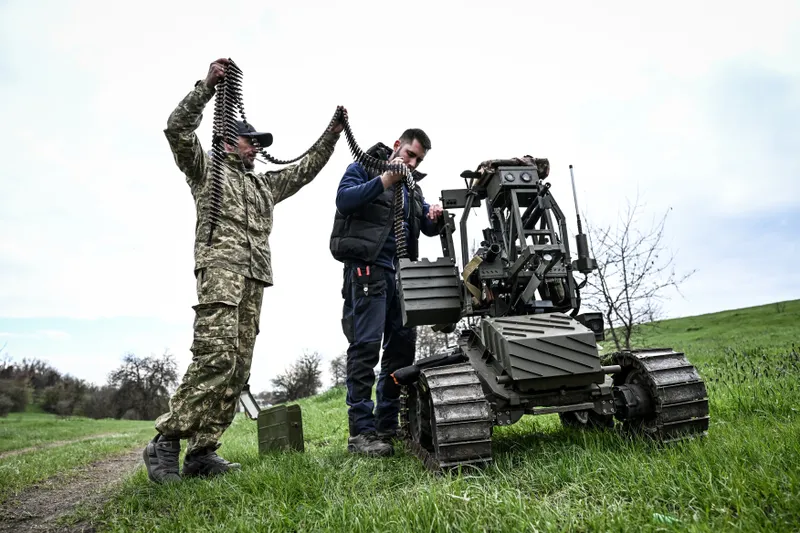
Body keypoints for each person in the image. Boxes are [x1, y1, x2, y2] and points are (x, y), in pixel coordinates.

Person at [143, 58, 345, 483]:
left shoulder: (262, 185)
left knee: (237, 369)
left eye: (257, 143)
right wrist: (205, 87)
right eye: (250, 141)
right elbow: (176, 130)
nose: (256, 147)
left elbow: (303, 171)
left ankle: (203, 453)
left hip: (254, 280)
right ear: (230, 141)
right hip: (220, 274)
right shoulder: (207, 170)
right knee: (214, 358)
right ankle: (166, 441)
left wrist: (332, 133)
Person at [329, 129, 443, 457]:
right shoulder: (363, 169)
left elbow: (422, 225)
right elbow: (345, 200)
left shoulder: (412, 187)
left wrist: (435, 217)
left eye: (419, 159)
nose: (412, 161)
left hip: (402, 276)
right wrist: (385, 181)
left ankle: (387, 425)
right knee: (365, 348)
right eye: (410, 154)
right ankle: (360, 433)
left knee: (402, 350)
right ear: (397, 146)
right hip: (368, 271)